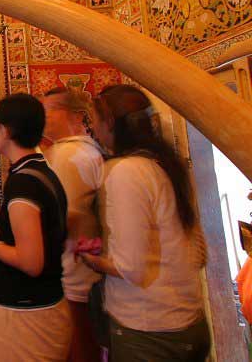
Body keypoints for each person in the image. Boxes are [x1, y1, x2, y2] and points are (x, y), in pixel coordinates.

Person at [81, 85, 210, 361]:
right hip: (189, 321)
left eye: (93, 120)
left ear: (110, 122)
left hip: (149, 329)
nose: (92, 128)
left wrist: (93, 261)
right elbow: (199, 253)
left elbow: (131, 268)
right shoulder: (166, 164)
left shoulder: (127, 171)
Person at [0, 93, 70, 361]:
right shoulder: (42, 170)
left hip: (27, 311)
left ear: (5, 130)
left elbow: (31, 262)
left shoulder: (24, 182)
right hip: (39, 304)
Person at [42, 87, 104, 362]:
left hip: (73, 275)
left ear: (78, 116)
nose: (44, 117)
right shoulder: (82, 152)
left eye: (50, 110)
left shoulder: (68, 156)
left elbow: (66, 217)